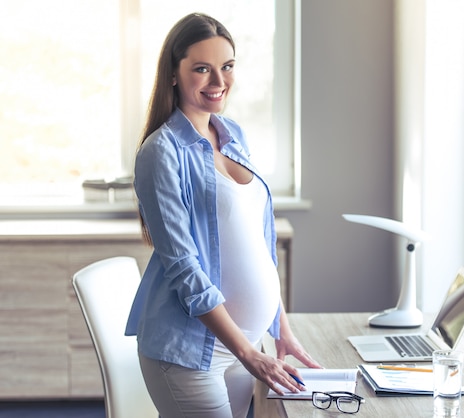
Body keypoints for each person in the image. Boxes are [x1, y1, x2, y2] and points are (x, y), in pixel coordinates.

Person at [125, 13, 321, 418]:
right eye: (202, 69)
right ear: (174, 74)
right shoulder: (161, 152)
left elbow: (257, 244)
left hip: (242, 348)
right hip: (191, 354)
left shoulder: (232, 133)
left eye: (227, 67)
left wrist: (280, 330)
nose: (219, 82)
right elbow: (184, 269)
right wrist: (250, 353)